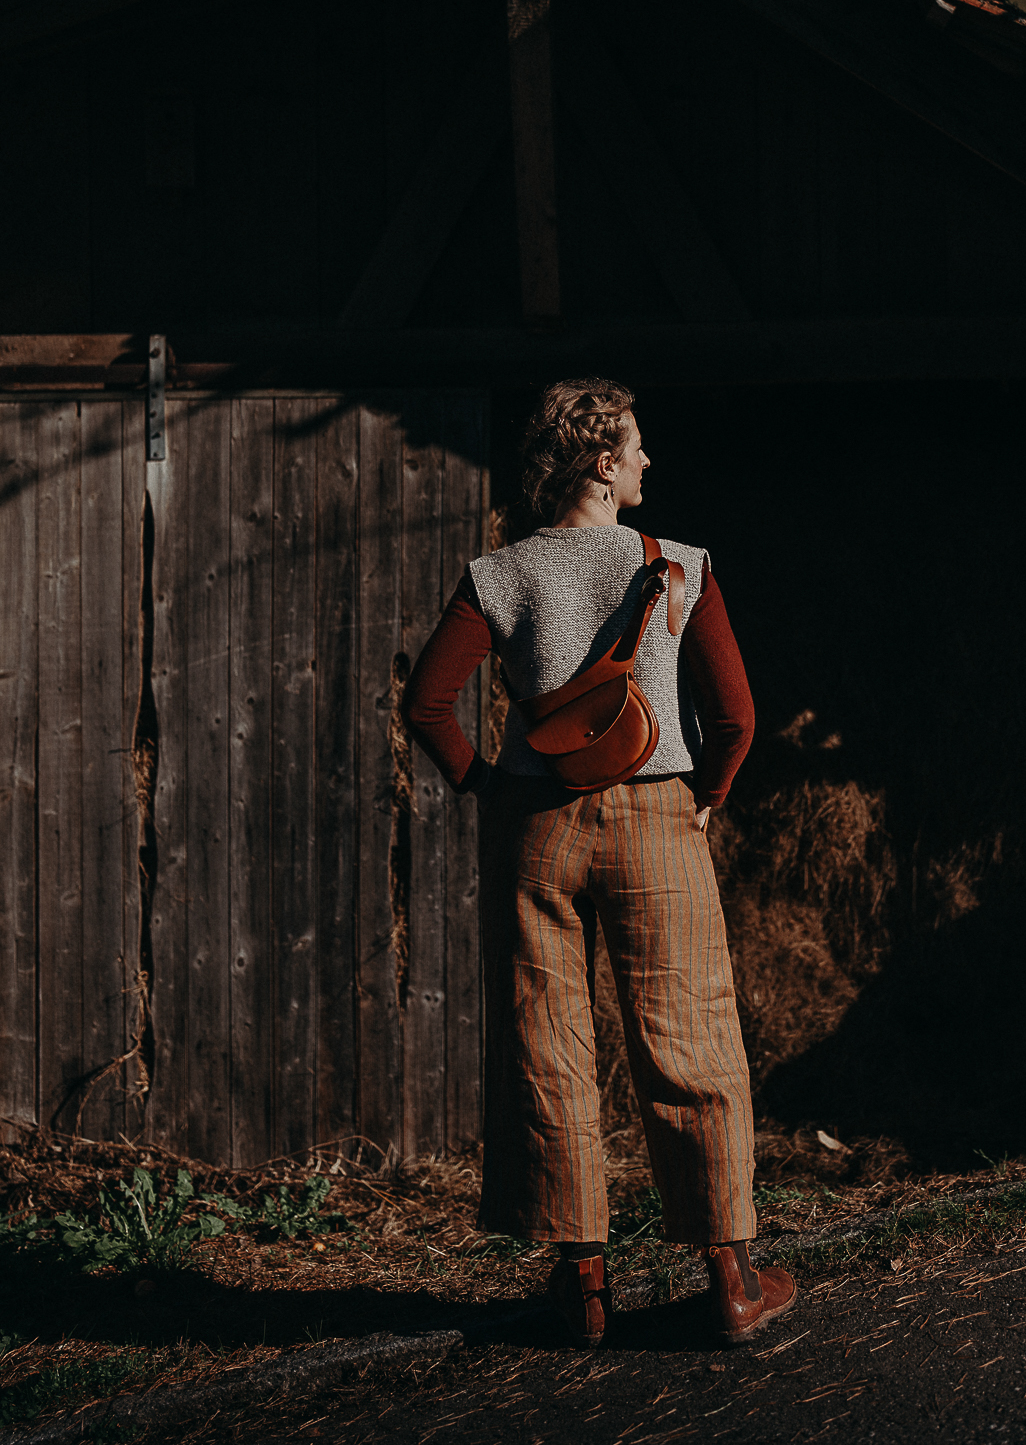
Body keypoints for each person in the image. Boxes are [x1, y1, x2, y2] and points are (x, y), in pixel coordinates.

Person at [403, 377, 796, 1348]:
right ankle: (733, 1282)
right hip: (657, 817)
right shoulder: (678, 564)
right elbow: (738, 716)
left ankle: (581, 1289)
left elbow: (427, 705)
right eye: (636, 445)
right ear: (602, 462)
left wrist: (489, 788)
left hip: (536, 826)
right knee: (689, 1035)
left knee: (545, 1043)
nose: (648, 460)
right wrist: (704, 798)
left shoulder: (496, 574)